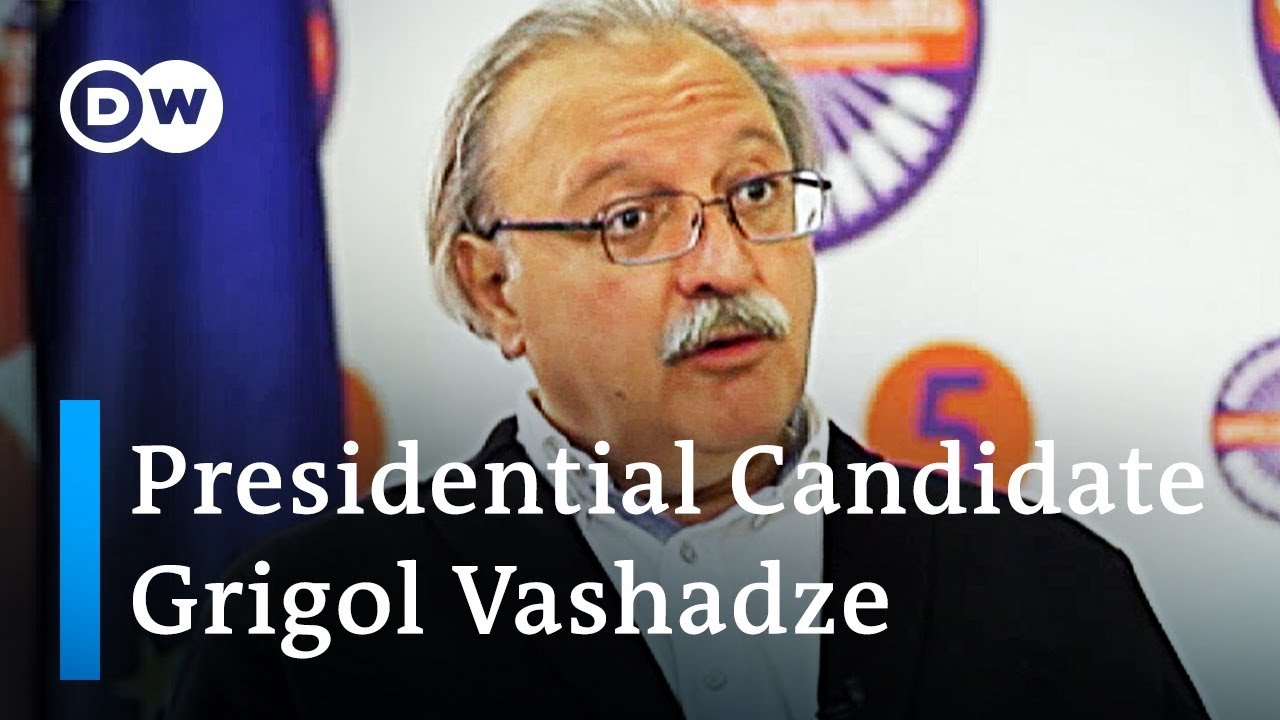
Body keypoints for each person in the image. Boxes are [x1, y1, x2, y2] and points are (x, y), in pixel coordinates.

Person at [170, 1, 1208, 718]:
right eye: (631, 217)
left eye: (754, 193)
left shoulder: (1049, 589)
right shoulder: (310, 631)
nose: (724, 265)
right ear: (495, 290)